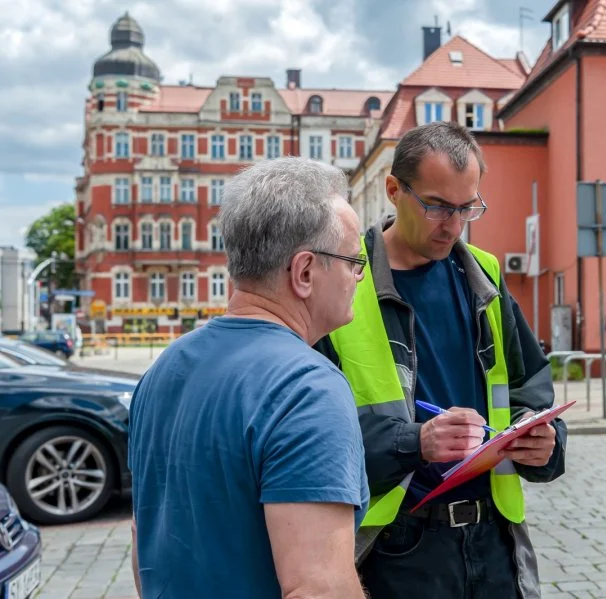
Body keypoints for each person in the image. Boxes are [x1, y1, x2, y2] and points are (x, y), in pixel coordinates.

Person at [314, 122, 568, 599]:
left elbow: (527, 385)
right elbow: (316, 435)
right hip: (398, 548)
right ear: (394, 190)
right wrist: (415, 442)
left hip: (493, 539)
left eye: (467, 208)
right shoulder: (344, 280)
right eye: (436, 206)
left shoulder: (484, 273)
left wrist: (543, 440)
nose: (452, 225)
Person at [128, 157, 370, 599]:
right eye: (354, 261)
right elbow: (319, 589)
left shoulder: (163, 370)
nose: (358, 276)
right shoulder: (306, 389)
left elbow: (145, 541)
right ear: (304, 272)